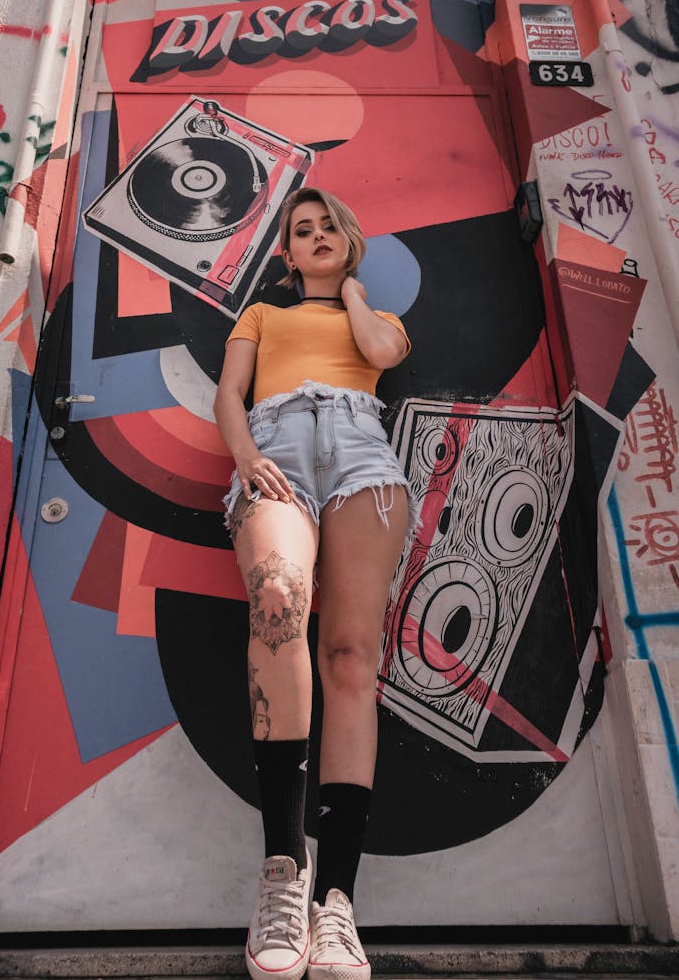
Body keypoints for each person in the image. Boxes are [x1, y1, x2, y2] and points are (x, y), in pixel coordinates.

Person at [213, 187, 417, 980]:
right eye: (303, 231)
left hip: (362, 457)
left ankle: (337, 903)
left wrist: (355, 291)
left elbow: (382, 353)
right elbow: (230, 394)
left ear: (348, 239)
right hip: (276, 449)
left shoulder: (379, 321)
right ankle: (282, 874)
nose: (319, 235)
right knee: (276, 600)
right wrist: (245, 460)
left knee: (349, 660)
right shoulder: (262, 316)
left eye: (330, 224)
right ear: (287, 255)